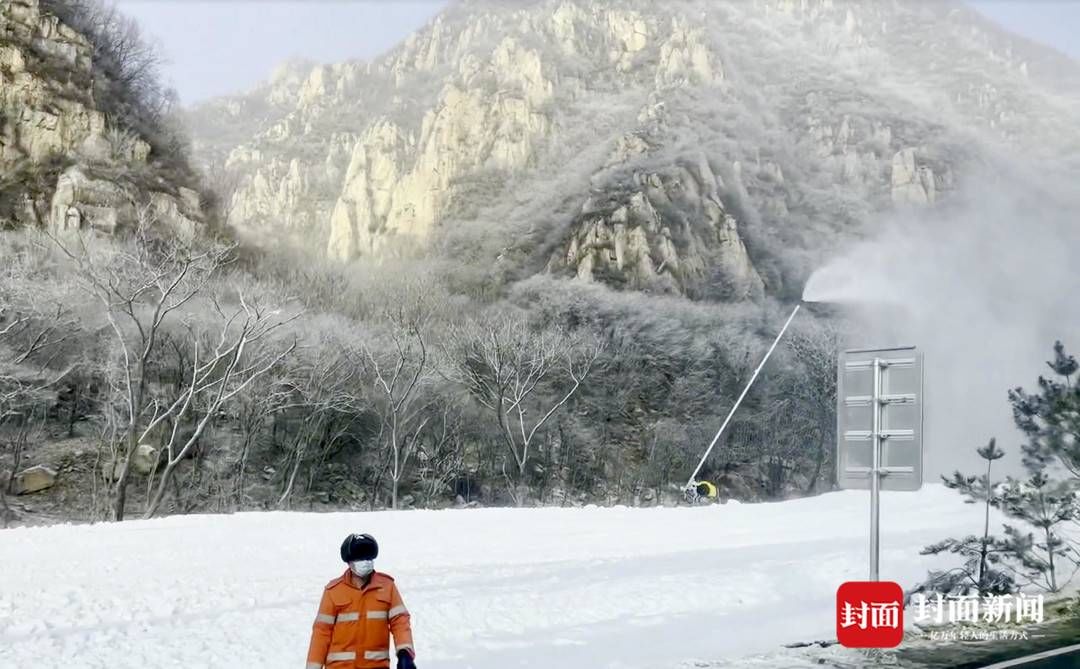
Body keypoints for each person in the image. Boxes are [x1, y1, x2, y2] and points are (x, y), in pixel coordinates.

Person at [306, 533, 416, 669]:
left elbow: (400, 621)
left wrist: (405, 652)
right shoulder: (333, 591)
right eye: (360, 558)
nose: (366, 562)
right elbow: (321, 633)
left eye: (369, 557)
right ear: (349, 561)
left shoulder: (387, 587)